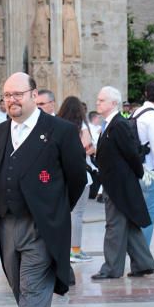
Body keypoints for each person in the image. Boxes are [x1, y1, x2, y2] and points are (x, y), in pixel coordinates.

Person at [0, 74, 87, 307]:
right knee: (21, 289)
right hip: (7, 224)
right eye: (7, 95)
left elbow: (77, 178)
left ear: (33, 95)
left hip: (41, 226)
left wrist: (55, 211)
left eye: (18, 94)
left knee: (33, 289)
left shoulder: (60, 131)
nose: (12, 100)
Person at [91, 85, 154, 280]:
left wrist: (136, 175)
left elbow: (131, 153)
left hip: (120, 185)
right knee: (128, 225)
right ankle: (144, 264)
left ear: (113, 103)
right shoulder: (110, 124)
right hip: (116, 183)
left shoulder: (118, 124)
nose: (98, 102)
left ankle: (111, 268)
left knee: (114, 226)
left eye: (102, 100)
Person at [57, 95, 95, 263]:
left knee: (63, 213)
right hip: (80, 174)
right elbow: (87, 147)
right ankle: (75, 250)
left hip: (60, 175)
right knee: (77, 213)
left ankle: (62, 248)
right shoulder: (82, 128)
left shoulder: (56, 126)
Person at [131, 81, 154, 247]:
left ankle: (136, 255)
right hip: (150, 172)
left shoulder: (136, 113)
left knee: (136, 216)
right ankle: (143, 257)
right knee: (149, 216)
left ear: (145, 93)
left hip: (135, 169)